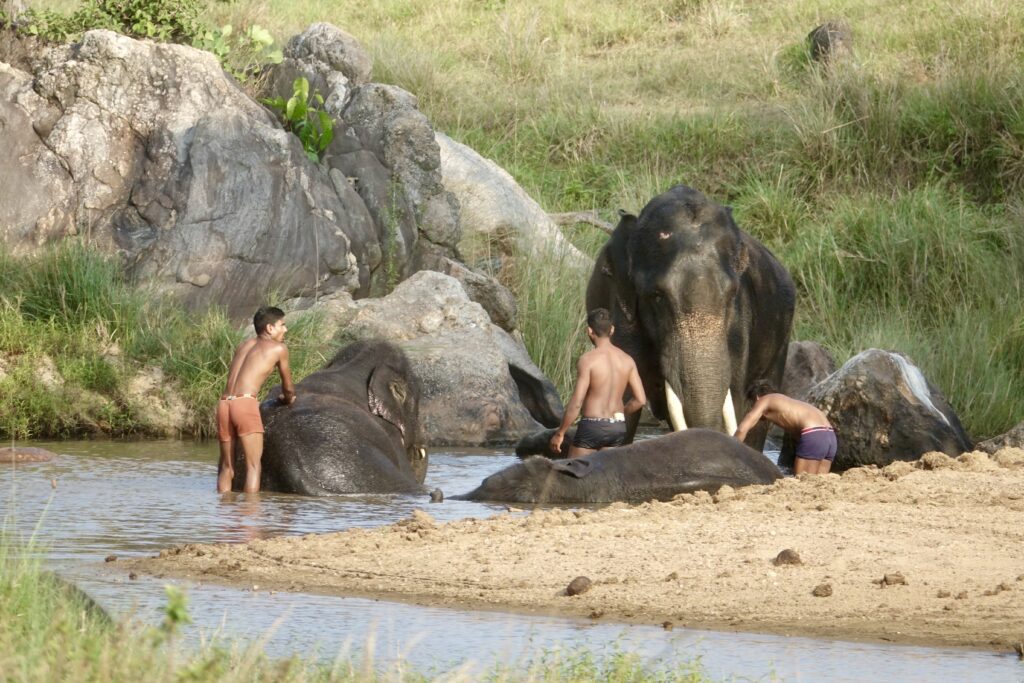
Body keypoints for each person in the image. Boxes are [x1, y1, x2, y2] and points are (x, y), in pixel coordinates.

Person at [216, 306, 297, 493]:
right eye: (282, 325)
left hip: (224, 404)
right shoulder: (279, 348)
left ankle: (223, 517)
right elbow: (289, 387)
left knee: (227, 468)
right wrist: (288, 398)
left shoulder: (244, 345)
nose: (285, 330)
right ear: (270, 328)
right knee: (253, 467)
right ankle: (251, 518)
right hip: (244, 403)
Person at [549, 308, 647, 459]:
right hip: (617, 427)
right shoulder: (628, 360)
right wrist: (621, 414)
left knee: (574, 475)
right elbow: (640, 400)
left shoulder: (588, 360)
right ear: (612, 330)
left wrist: (560, 433)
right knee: (606, 477)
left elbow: (576, 403)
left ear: (589, 331)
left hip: (592, 427)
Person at [734, 380, 837, 474]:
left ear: (757, 397)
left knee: (803, 484)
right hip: (830, 436)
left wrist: (731, 451)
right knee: (819, 486)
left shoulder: (764, 400)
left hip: (814, 434)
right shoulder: (789, 403)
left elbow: (742, 429)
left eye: (752, 405)